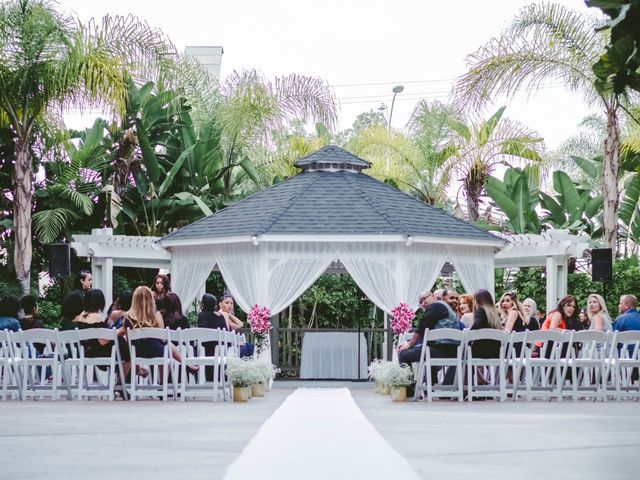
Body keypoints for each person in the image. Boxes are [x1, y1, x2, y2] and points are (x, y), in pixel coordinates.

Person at [124, 286, 195, 373]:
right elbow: (162, 338)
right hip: (155, 350)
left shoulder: (127, 317)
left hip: (136, 351)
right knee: (167, 346)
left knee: (167, 346)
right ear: (151, 299)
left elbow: (129, 342)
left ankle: (185, 363)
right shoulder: (156, 315)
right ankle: (163, 381)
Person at [397, 291, 458, 383]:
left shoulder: (435, 306)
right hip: (452, 351)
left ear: (433, 296)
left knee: (403, 354)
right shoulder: (445, 308)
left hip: (442, 351)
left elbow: (421, 328)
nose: (423, 303)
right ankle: (430, 385)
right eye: (420, 302)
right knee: (428, 348)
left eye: (424, 299)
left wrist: (409, 344)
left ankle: (408, 389)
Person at [70, 289, 113, 358]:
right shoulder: (98, 318)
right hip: (97, 353)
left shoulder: (80, 317)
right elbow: (103, 341)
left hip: (82, 351)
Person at [470, 289, 503, 359]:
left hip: (482, 351)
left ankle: (468, 370)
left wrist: (468, 333)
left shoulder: (481, 311)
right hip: (496, 351)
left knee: (463, 353)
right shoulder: (495, 314)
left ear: (476, 301)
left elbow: (476, 326)